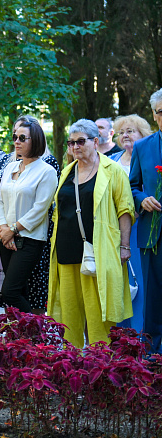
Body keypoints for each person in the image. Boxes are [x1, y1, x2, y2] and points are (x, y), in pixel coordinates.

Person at [49, 119, 133, 347]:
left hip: (98, 251)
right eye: (71, 142)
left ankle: (100, 366)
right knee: (70, 316)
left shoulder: (112, 170)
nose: (75, 147)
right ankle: (71, 367)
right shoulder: (67, 171)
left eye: (80, 141)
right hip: (66, 251)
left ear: (95, 141)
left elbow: (125, 210)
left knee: (98, 315)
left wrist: (124, 246)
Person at [0, 116, 61, 314]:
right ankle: (22, 341)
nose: (17, 142)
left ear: (35, 140)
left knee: (10, 292)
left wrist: (12, 230)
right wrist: (3, 228)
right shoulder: (11, 166)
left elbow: (41, 208)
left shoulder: (46, 171)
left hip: (29, 239)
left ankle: (36, 333)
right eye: (15, 137)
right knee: (20, 290)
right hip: (6, 238)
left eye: (22, 138)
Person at [109, 114, 152, 333]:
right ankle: (121, 336)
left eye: (130, 131)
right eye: (121, 132)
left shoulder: (148, 157)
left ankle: (141, 333)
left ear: (142, 134)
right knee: (119, 281)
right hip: (114, 229)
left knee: (141, 281)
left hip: (139, 227)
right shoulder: (113, 160)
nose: (125, 135)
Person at [130, 89, 162, 353]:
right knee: (152, 298)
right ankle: (152, 357)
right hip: (153, 234)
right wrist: (142, 199)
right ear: (154, 115)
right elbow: (133, 186)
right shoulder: (143, 147)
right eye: (160, 112)